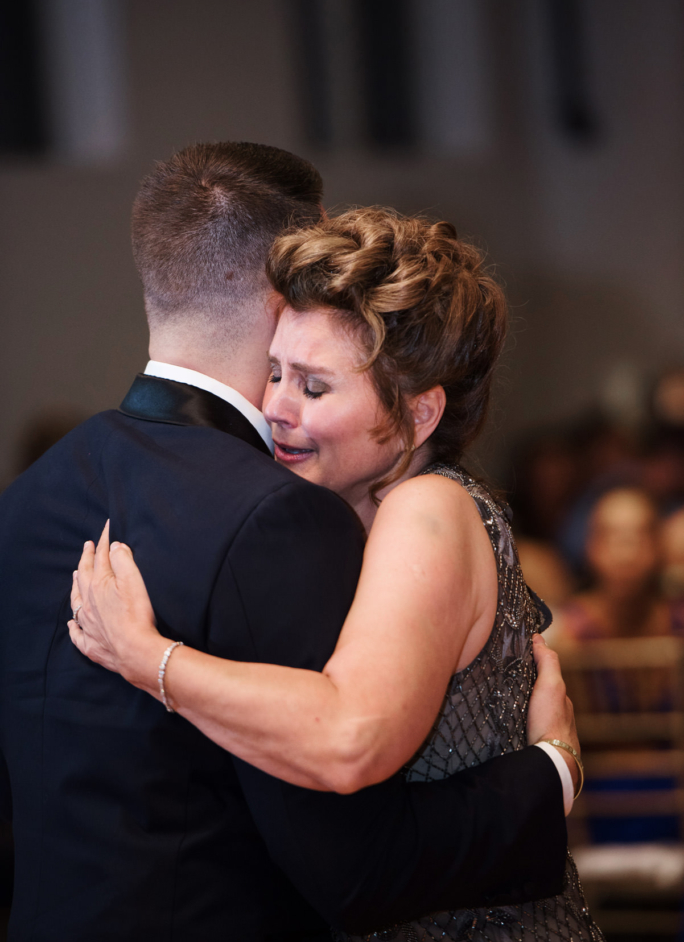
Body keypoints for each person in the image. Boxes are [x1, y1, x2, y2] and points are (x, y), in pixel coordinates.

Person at [67, 195, 594, 941]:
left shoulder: (429, 510)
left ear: (419, 415)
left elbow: (349, 738)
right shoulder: (339, 513)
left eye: (314, 388)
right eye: (275, 373)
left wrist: (147, 657)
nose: (276, 407)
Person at [556, 486, 684, 643]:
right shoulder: (568, 630)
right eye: (611, 539)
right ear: (590, 547)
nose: (625, 555)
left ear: (658, 546)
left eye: (638, 539)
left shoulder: (678, 622)